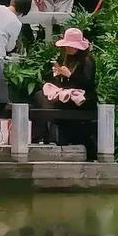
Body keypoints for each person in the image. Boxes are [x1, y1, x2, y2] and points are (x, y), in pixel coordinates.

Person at [32, 25, 97, 154]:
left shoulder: (87, 61)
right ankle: (41, 136)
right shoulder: (65, 58)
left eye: (72, 46)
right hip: (65, 93)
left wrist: (70, 75)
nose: (69, 48)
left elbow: (87, 83)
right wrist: (58, 75)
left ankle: (45, 135)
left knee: (48, 103)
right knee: (40, 95)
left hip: (82, 98)